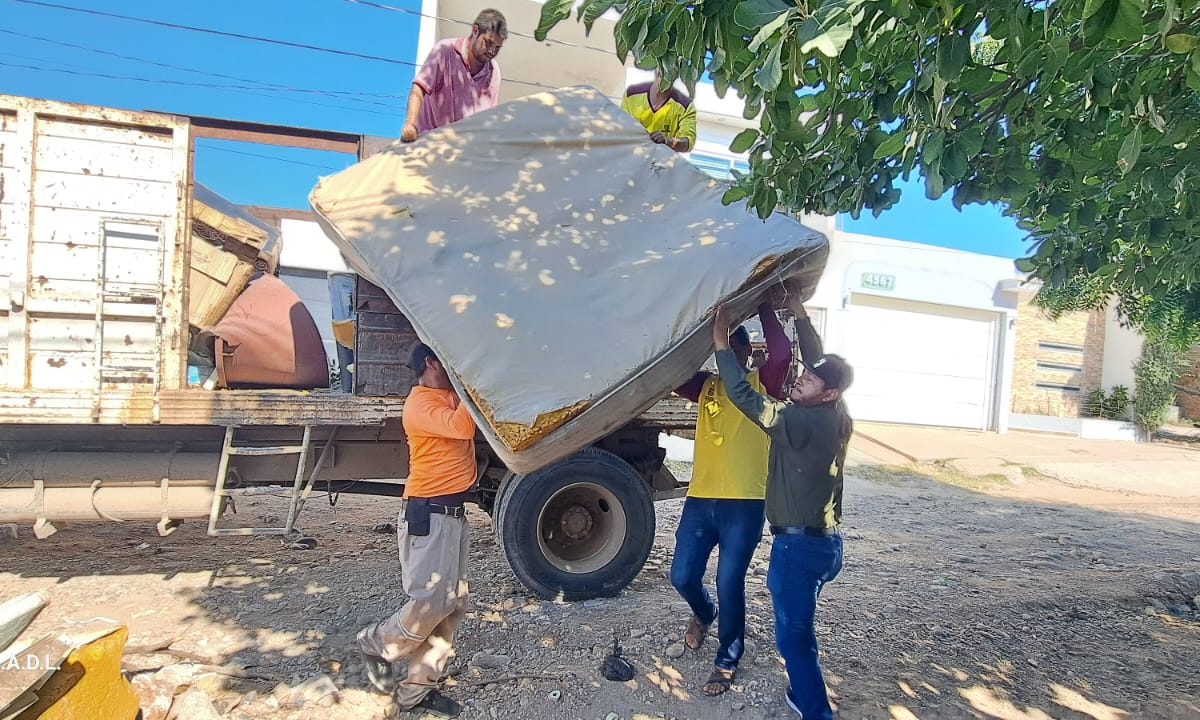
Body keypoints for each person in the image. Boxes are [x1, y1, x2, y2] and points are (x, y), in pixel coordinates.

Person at [711, 300, 854, 720]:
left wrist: (721, 344)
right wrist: (800, 316)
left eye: (809, 381)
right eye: (804, 374)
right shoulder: (834, 411)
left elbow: (744, 396)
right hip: (824, 546)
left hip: (799, 551)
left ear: (827, 393)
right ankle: (803, 690)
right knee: (799, 627)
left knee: (794, 636)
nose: (799, 379)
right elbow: (817, 362)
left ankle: (815, 711)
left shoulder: (803, 422)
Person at [670, 300, 792, 696]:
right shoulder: (705, 385)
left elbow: (784, 352)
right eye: (721, 348)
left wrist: (765, 306)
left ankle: (728, 656)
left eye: (732, 350)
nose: (726, 358)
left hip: (744, 503)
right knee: (682, 575)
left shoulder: (763, 386)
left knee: (729, 579)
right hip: (701, 498)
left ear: (747, 354)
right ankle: (704, 614)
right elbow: (669, 371)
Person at [356, 343, 477, 718]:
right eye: (448, 360)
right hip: (429, 514)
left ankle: (417, 692)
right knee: (430, 601)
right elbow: (462, 426)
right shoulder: (421, 403)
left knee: (451, 606)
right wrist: (465, 385)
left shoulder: (443, 397)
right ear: (431, 362)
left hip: (452, 515)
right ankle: (377, 643)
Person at [401, 9, 507, 142]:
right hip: (431, 144)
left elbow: (490, 118)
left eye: (497, 47)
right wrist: (410, 125)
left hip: (465, 152)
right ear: (475, 31)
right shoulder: (445, 51)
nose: (492, 51)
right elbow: (419, 88)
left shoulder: (494, 72)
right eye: (488, 43)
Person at [620, 69, 697, 153]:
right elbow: (621, 127)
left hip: (660, 163)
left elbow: (688, 143)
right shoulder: (632, 93)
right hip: (630, 156)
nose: (666, 69)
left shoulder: (686, 106)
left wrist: (667, 141)